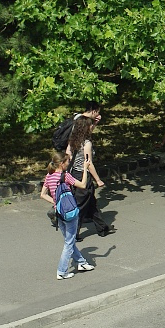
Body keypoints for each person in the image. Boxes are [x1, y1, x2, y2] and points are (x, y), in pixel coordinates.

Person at [40, 150, 95, 280]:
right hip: (70, 212)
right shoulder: (65, 176)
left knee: (69, 240)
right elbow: (82, 185)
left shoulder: (49, 176)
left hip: (59, 213)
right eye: (68, 161)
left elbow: (42, 195)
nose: (69, 163)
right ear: (62, 163)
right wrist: (85, 169)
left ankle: (81, 263)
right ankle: (62, 271)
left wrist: (56, 202)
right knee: (69, 243)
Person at [48, 101, 102, 229]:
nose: (98, 115)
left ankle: (96, 222)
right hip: (77, 168)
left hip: (73, 166)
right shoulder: (81, 122)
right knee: (77, 197)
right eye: (98, 112)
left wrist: (95, 123)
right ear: (93, 111)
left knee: (82, 195)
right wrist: (98, 179)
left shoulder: (78, 119)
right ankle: (62, 216)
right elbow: (80, 145)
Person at [68, 114, 114, 237]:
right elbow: (89, 163)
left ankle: (102, 228)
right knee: (81, 206)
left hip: (74, 174)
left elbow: (68, 155)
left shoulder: (73, 140)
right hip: (84, 175)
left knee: (91, 203)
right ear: (85, 128)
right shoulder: (87, 144)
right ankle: (73, 233)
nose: (91, 127)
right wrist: (98, 180)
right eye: (90, 126)